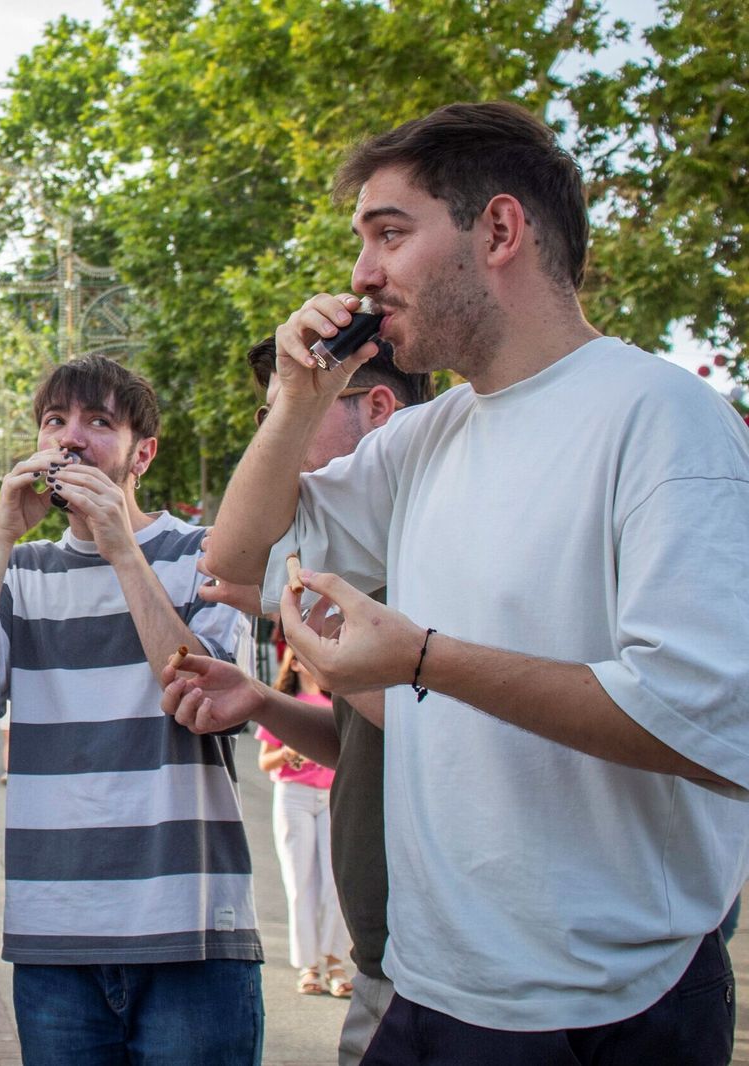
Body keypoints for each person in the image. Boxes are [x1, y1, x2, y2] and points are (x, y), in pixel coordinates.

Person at [172, 101, 749, 1061]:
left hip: (606, 1004)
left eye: (389, 234)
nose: (360, 275)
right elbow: (235, 562)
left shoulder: (665, 421)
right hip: (430, 984)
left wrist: (423, 658)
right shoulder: (420, 438)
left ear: (499, 230)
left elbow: (705, 722)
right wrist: (294, 402)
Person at [0, 355, 262, 1065]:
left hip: (190, 933)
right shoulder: (23, 572)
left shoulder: (204, 556)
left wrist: (120, 548)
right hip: (55, 939)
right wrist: (3, 538)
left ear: (144, 452)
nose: (70, 439)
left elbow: (201, 700)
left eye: (98, 423)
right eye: (55, 422)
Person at [195, 334, 428, 1063]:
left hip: (459, 980)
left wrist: (341, 664)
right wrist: (264, 700)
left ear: (379, 409)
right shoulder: (358, 564)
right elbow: (368, 740)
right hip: (389, 963)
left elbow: (463, 737)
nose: (273, 441)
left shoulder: (434, 553)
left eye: (294, 415)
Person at [257, 648, 351, 999]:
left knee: (334, 883)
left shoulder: (337, 705)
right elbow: (265, 762)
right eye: (303, 656)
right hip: (293, 795)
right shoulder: (284, 705)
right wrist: (289, 752)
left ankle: (335, 961)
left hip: (329, 797)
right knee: (300, 883)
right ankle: (309, 965)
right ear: (294, 663)